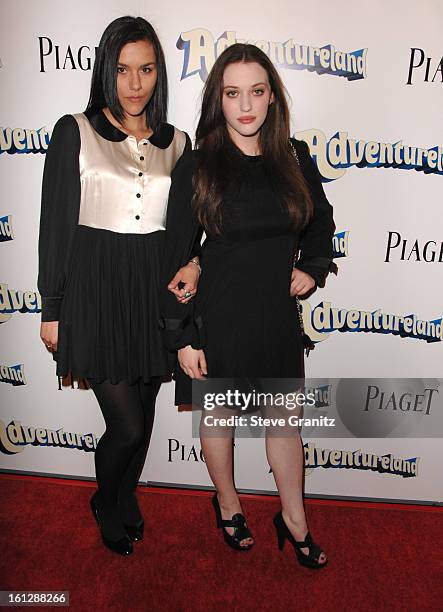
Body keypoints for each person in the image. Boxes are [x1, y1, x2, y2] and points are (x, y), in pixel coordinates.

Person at [161, 43, 336, 568]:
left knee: (286, 424)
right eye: (232, 93)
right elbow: (174, 259)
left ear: (272, 98)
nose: (245, 105)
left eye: (256, 92)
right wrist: (184, 336)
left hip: (276, 319)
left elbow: (321, 224)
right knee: (220, 422)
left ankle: (294, 519)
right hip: (216, 318)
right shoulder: (197, 165)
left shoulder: (296, 157)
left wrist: (312, 267)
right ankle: (229, 504)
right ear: (219, 99)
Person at [38, 16, 199, 556]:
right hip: (97, 292)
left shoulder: (180, 143)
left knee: (147, 414)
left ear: (159, 74)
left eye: (147, 69)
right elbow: (56, 225)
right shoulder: (74, 131)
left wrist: (191, 280)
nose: (135, 83)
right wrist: (52, 308)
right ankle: (105, 498)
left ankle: (126, 494)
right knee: (126, 426)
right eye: (124, 69)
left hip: (153, 291)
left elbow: (186, 230)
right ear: (107, 71)